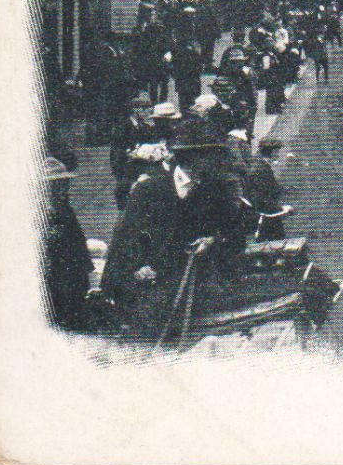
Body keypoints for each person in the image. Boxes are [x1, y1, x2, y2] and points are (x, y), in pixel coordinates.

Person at [99, 117, 252, 338]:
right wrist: (138, 267)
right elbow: (125, 240)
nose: (215, 162)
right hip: (154, 287)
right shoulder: (148, 190)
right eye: (208, 156)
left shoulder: (217, 190)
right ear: (190, 158)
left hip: (201, 284)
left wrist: (213, 240)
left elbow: (236, 233)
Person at [40, 156, 93, 331]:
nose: (64, 187)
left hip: (72, 273)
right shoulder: (44, 211)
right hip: (56, 274)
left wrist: (85, 268)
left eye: (64, 182)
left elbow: (76, 238)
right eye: (58, 183)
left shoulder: (63, 206)